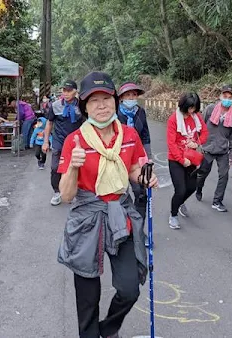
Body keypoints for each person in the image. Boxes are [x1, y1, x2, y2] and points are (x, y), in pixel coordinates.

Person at [57, 71, 157, 338]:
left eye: (106, 98)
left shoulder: (130, 135)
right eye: (93, 100)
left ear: (115, 100)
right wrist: (73, 168)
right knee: (88, 296)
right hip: (87, 216)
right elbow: (66, 195)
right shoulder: (74, 141)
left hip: (119, 213)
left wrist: (145, 177)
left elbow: (135, 168)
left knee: (129, 289)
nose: (101, 105)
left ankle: (107, 329)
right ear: (84, 107)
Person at [195, 85, 232, 212]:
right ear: (220, 96)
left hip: (223, 151)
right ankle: (198, 189)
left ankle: (217, 201)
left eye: (230, 97)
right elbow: (201, 126)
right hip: (208, 148)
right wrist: (198, 144)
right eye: (225, 96)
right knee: (202, 173)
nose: (227, 99)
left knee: (224, 176)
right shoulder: (210, 109)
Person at [117, 82, 152, 246]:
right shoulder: (115, 114)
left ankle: (139, 231)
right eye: (128, 95)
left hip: (137, 159)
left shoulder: (140, 112)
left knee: (141, 194)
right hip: (117, 160)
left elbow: (145, 135)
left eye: (134, 95)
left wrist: (148, 158)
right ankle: (121, 229)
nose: (131, 98)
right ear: (122, 97)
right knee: (119, 196)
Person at [167, 92, 208, 230]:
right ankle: (173, 215)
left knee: (192, 187)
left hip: (191, 158)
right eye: (189, 108)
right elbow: (171, 143)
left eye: (194, 108)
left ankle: (179, 203)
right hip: (176, 159)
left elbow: (205, 133)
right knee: (180, 189)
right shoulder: (174, 119)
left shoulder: (196, 117)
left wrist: (196, 143)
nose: (191, 111)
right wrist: (181, 159)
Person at [43, 80, 84, 206]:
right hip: (59, 140)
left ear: (75, 91)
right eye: (64, 90)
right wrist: (45, 142)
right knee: (56, 167)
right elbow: (49, 123)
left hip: (76, 142)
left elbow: (87, 122)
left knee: (78, 167)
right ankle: (57, 192)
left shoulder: (82, 106)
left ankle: (77, 192)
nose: (65, 93)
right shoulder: (55, 105)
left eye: (69, 90)